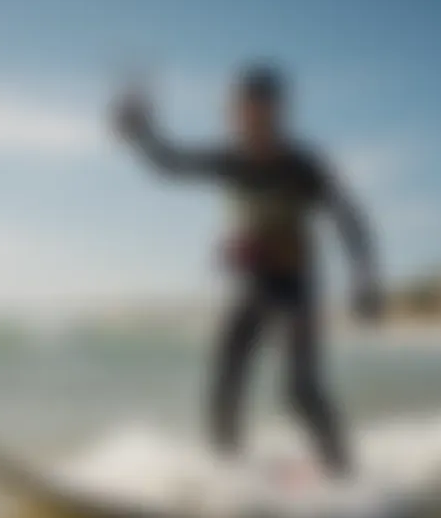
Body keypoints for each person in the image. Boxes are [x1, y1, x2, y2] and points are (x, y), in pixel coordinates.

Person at [112, 64, 382, 477]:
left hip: (296, 287)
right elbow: (171, 164)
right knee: (224, 379)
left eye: (256, 109)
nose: (245, 118)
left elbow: (350, 220)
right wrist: (142, 133)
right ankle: (229, 475)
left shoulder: (302, 166)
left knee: (299, 391)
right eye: (239, 110)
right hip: (252, 286)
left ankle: (344, 474)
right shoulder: (229, 160)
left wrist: (365, 280)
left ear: (276, 112)